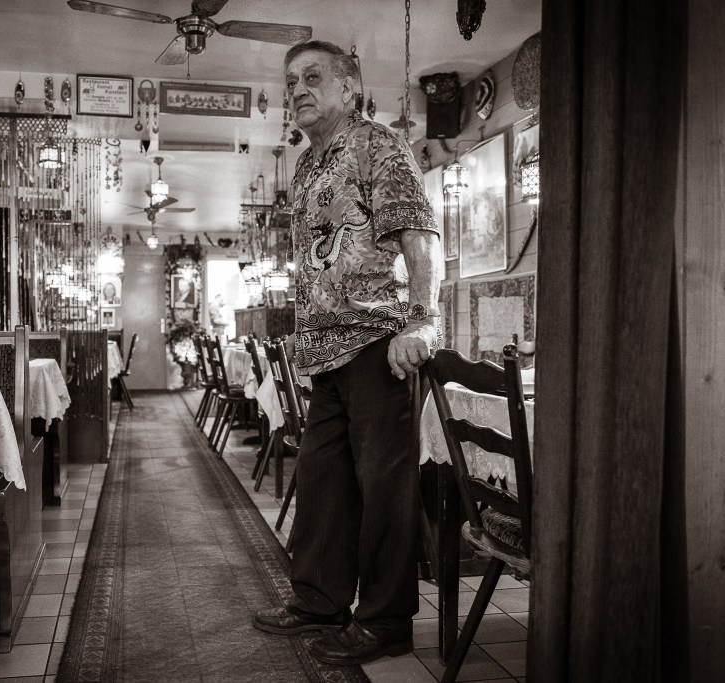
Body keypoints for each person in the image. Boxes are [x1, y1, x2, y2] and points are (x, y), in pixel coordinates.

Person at [252, 40, 441, 666]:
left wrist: (423, 321)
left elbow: (419, 235)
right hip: (324, 352)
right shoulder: (306, 167)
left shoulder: (377, 144)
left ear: (348, 86)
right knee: (322, 481)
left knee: (384, 488)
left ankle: (385, 621)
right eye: (291, 82)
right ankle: (318, 600)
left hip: (378, 345)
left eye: (312, 77)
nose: (298, 90)